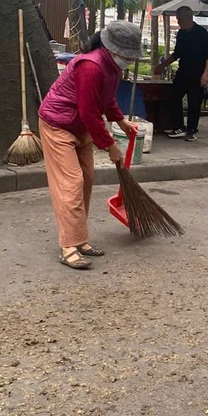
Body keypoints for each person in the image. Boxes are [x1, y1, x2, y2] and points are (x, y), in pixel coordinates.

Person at [38, 21, 142, 270]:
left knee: (86, 179)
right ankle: (68, 247)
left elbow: (105, 99)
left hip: (80, 126)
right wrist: (110, 146)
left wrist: (120, 120)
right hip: (58, 125)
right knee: (71, 182)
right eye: (128, 55)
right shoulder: (91, 66)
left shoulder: (112, 67)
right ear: (113, 49)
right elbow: (88, 112)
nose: (130, 59)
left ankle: (79, 239)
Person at [153, 5, 208, 141]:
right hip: (183, 71)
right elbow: (177, 53)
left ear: (188, 18)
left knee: (194, 102)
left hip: (198, 73)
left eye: (179, 20)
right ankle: (179, 126)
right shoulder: (181, 34)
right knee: (174, 97)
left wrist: (205, 74)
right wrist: (163, 65)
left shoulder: (202, 33)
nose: (178, 22)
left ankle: (191, 130)